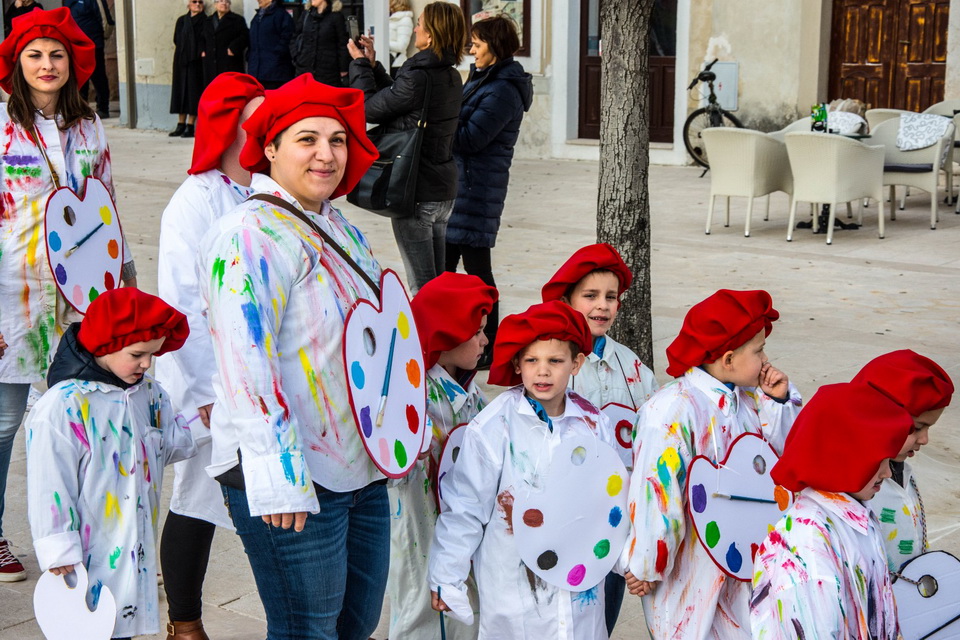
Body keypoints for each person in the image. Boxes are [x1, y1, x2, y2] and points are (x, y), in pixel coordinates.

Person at [198, 74, 387, 640]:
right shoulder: (247, 235)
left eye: (337, 139)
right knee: (307, 630)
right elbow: (244, 365)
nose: (326, 154)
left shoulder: (343, 229)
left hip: (362, 464)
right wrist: (280, 477)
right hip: (295, 474)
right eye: (307, 139)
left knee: (357, 624)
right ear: (270, 148)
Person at [0, 6, 137, 583]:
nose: (47, 65)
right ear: (17, 63)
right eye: (34, 55)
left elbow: (104, 200)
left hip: (80, 292)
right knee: (6, 422)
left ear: (72, 63)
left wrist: (124, 273)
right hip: (12, 293)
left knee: (78, 411)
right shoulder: (1, 124)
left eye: (56, 55)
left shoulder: (89, 126)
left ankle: (85, 531)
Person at [429, 301, 617, 637]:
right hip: (513, 591)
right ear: (517, 363)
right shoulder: (493, 427)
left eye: (555, 361)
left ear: (577, 363)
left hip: (579, 589)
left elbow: (609, 503)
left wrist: (626, 559)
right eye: (532, 360)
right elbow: (465, 508)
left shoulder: (594, 424)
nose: (542, 371)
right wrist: (447, 574)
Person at [624, 289, 801, 640]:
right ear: (730, 358)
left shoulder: (750, 399)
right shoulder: (673, 411)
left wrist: (779, 402)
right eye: (759, 350)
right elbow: (657, 494)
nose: (766, 359)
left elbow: (783, 458)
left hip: (748, 562)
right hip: (691, 568)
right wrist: (648, 562)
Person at [156, 72, 264, 640]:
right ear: (225, 129)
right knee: (198, 495)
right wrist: (204, 394)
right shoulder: (191, 203)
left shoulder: (272, 190)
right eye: (251, 120)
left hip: (266, 379)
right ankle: (185, 621)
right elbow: (184, 306)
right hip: (212, 384)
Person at [26, 287, 196, 639]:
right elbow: (49, 483)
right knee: (91, 625)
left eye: (153, 355)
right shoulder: (63, 407)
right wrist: (58, 546)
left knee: (121, 622)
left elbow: (175, 442)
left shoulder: (150, 394)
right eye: (138, 354)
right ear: (104, 345)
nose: (147, 363)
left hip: (132, 544)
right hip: (84, 555)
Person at [541, 242, 657, 634]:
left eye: (610, 297)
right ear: (568, 299)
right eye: (590, 296)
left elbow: (650, 440)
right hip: (561, 513)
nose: (601, 306)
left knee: (601, 615)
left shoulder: (634, 368)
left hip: (615, 516)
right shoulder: (552, 361)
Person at [750, 383, 913, 639]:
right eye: (878, 461)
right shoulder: (806, 543)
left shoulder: (859, 515)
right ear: (844, 456)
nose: (887, 473)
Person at [388, 272, 497, 640]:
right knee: (422, 608)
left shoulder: (470, 391)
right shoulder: (412, 392)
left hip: (460, 527)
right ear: (446, 333)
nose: (485, 340)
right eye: (476, 331)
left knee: (461, 609)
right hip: (420, 522)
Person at [348, 1, 467, 294]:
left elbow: (368, 109)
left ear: (432, 32)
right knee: (438, 283)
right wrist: (375, 66)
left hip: (416, 190)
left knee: (423, 288)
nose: (416, 28)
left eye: (421, 24)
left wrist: (360, 64)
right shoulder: (450, 75)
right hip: (441, 190)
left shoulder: (418, 75)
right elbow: (400, 100)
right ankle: (445, 338)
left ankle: (431, 341)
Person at [446, 15, 532, 352]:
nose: (472, 50)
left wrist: (439, 119)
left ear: (494, 48)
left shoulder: (502, 90)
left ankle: (490, 344)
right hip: (463, 185)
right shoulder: (483, 79)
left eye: (478, 44)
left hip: (477, 188)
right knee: (446, 268)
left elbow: (470, 138)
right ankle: (456, 335)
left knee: (477, 271)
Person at [849, 349, 954, 571]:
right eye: (916, 429)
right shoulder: (853, 487)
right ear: (877, 418)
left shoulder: (900, 469)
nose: (924, 439)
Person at [64, 0, 113, 119]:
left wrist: (99, 39)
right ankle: (81, 108)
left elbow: (106, 22)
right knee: (79, 78)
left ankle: (103, 108)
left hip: (93, 45)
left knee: (98, 77)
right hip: (75, 46)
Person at [169, 0, 208, 138]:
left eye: (200, 2)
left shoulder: (205, 21)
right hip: (181, 61)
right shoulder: (182, 20)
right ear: (188, 4)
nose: (197, 4)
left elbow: (205, 40)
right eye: (194, 1)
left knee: (193, 93)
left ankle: (191, 125)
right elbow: (176, 39)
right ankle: (181, 123)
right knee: (180, 92)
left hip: (195, 62)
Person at [290, 0, 349, 87]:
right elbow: (295, 36)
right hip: (304, 70)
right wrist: (296, 56)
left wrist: (343, 67)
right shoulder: (306, 14)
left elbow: (342, 44)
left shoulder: (336, 17)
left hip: (328, 72)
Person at [248, 0, 294, 90]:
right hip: (256, 72)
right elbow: (252, 42)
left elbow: (287, 39)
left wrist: (276, 57)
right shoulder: (256, 17)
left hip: (276, 73)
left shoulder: (281, 15)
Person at [202, 0, 249, 83]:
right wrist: (202, 51)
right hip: (211, 63)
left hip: (230, 62)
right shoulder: (208, 21)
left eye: (227, 1)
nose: (224, 3)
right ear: (215, 4)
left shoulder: (237, 20)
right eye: (220, 1)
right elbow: (202, 38)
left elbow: (245, 36)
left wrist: (234, 47)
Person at [388, 0, 413, 78]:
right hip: (388, 62)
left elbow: (401, 46)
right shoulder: (392, 19)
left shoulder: (405, 20)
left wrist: (382, 43)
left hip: (396, 64)